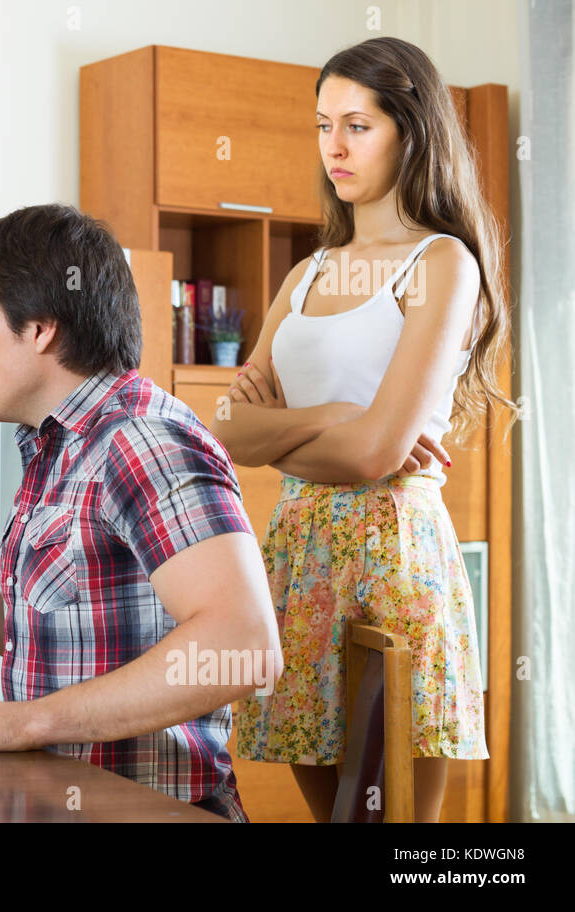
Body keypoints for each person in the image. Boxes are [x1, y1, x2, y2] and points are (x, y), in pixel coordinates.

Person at [0, 204, 282, 822]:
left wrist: (22, 722)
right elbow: (71, 642)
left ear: (39, 329)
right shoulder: (57, 447)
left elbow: (244, 645)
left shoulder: (142, 440)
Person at [210, 37, 515, 823]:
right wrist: (340, 418)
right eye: (322, 126)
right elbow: (226, 432)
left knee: (398, 826)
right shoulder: (307, 274)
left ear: (410, 133)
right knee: (338, 818)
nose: (334, 147)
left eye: (357, 126)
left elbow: (380, 454)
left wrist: (290, 427)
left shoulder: (443, 264)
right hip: (298, 547)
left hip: (395, 559)